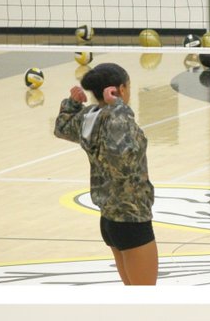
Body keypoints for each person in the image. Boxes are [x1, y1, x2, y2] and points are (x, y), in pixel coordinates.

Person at [54, 62, 158, 284]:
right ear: (120, 89)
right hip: (131, 219)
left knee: (134, 297)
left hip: (110, 218)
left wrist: (72, 104)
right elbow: (121, 160)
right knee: (146, 301)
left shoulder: (89, 117)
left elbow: (62, 128)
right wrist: (119, 108)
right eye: (128, 86)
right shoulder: (117, 118)